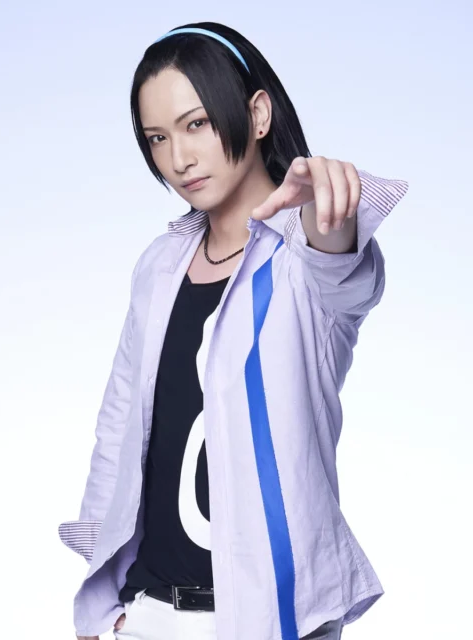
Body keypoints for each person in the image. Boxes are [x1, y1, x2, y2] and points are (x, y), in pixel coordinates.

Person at [58, 21, 409, 640]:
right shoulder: (159, 267)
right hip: (147, 615)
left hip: (272, 622)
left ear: (258, 114)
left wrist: (327, 206)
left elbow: (341, 264)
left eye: (196, 124)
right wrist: (101, 611)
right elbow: (119, 427)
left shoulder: (303, 259)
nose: (178, 159)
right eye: (158, 138)